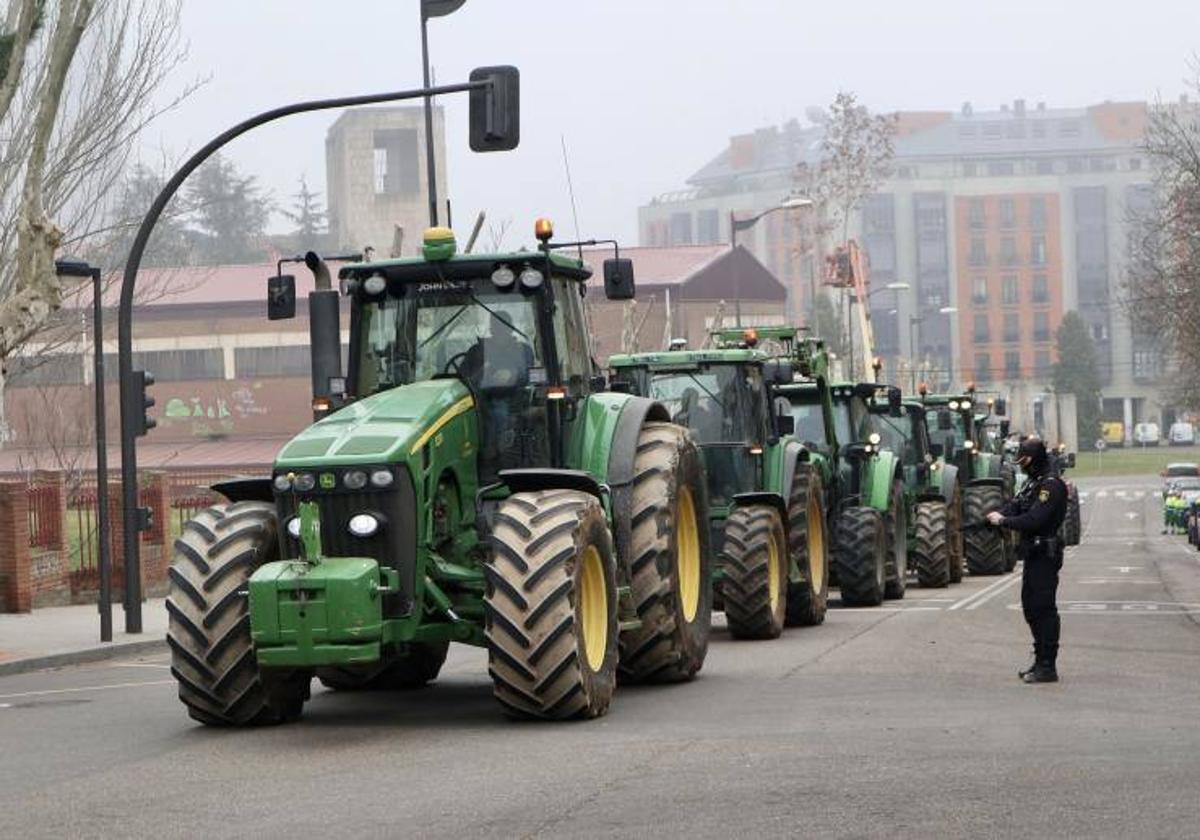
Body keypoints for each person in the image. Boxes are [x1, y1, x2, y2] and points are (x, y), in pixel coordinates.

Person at [986, 437, 1068, 684]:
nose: (1022, 466)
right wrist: (998, 514)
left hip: (1046, 553)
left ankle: (1048, 665)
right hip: (1032, 553)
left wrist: (1004, 522)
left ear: (1034, 460)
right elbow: (1016, 505)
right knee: (1031, 608)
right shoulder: (1034, 484)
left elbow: (1035, 520)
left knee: (1044, 608)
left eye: (1025, 461)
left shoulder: (1051, 486)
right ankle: (1039, 657)